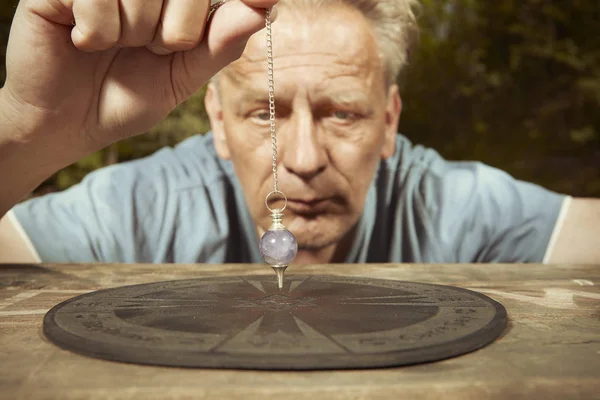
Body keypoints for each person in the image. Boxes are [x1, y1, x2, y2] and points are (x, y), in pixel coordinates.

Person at [0, 0, 598, 264]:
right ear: (216, 120)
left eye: (343, 113)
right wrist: (26, 135)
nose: (305, 160)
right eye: (266, 112)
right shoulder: (138, 210)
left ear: (389, 121)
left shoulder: (449, 206)